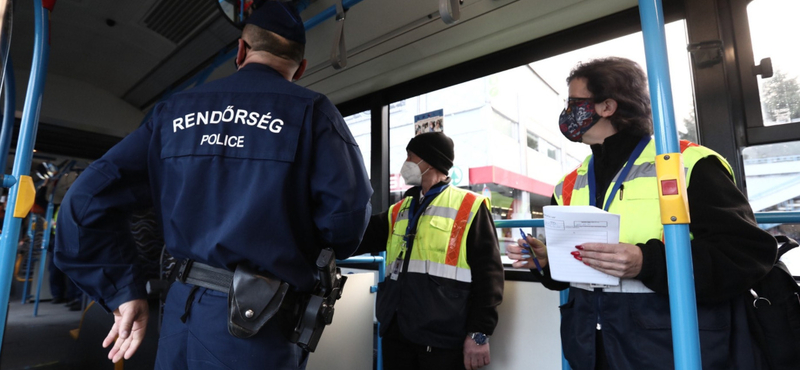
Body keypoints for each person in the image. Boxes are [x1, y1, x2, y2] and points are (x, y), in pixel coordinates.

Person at [54, 2, 372, 369]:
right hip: (257, 325)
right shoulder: (314, 113)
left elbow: (85, 200)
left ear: (241, 50)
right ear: (300, 68)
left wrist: (122, 290)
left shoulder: (171, 112)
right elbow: (347, 226)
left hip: (179, 311)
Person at [506, 57, 776, 369]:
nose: (567, 114)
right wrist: (548, 261)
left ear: (607, 106)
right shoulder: (567, 185)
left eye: (573, 103)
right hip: (590, 347)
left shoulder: (687, 164)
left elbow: (746, 254)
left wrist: (646, 262)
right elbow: (570, 277)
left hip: (666, 345)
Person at [357, 132, 504, 370]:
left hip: (441, 337)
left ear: (429, 161)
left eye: (410, 156)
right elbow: (360, 236)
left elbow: (490, 277)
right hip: (397, 329)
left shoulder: (469, 206)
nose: (405, 163)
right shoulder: (400, 209)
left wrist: (479, 333)